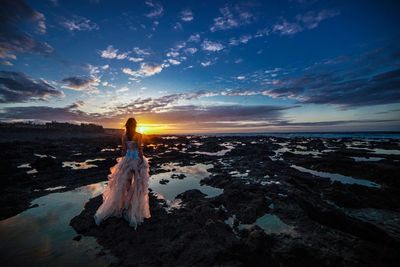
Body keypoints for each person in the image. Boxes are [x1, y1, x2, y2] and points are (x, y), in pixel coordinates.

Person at [94, 117, 151, 229]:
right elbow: (139, 149)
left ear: (127, 125)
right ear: (135, 125)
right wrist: (141, 161)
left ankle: (125, 204)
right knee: (138, 184)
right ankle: (131, 206)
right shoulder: (139, 135)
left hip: (127, 159)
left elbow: (124, 150)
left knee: (127, 183)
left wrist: (124, 161)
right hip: (136, 159)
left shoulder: (124, 136)